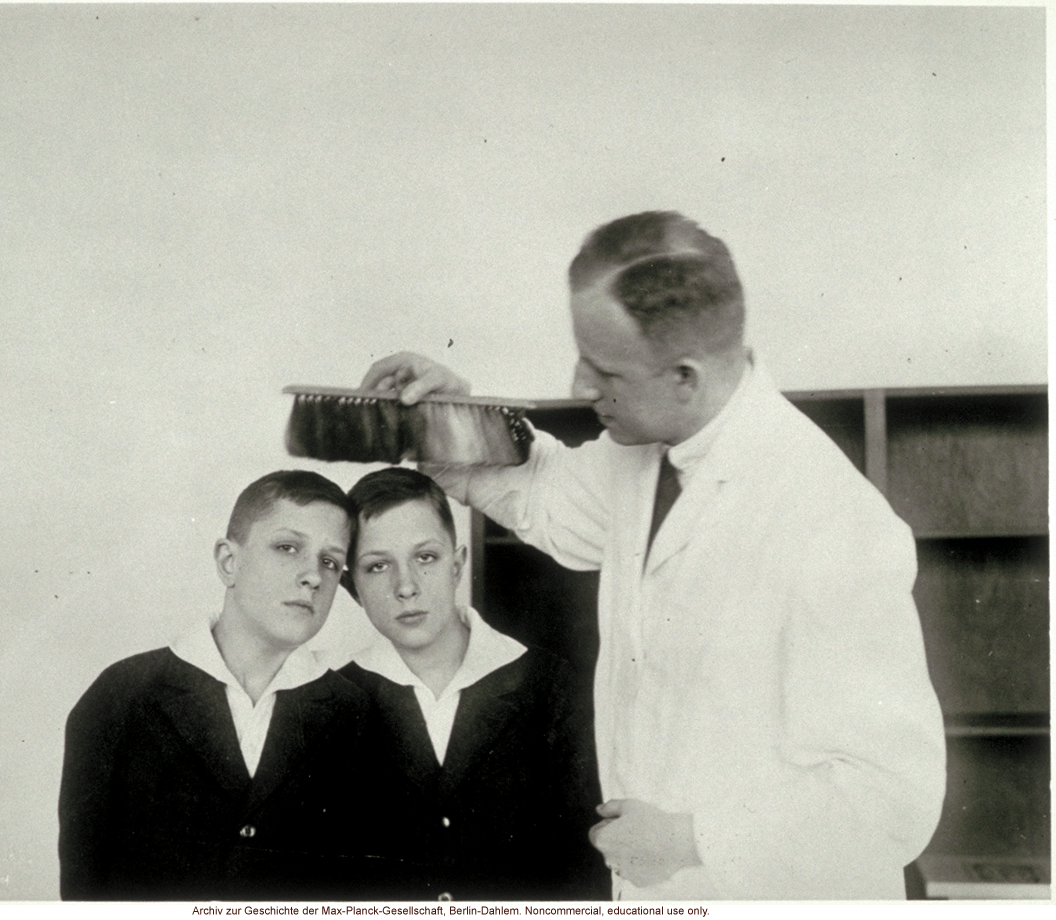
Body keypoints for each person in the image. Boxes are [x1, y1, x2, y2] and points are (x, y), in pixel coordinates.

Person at [359, 212, 947, 900]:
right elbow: (547, 498)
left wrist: (690, 840)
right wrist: (453, 421)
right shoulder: (644, 456)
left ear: (685, 378)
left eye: (604, 369)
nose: (580, 385)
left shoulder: (828, 523)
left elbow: (891, 797)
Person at [58, 470, 378, 900]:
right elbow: (84, 891)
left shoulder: (357, 714)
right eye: (287, 547)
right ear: (229, 562)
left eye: (330, 562)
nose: (313, 576)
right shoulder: (123, 696)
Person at [338, 466, 610, 900]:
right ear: (352, 585)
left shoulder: (548, 685)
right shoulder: (333, 702)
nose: (406, 586)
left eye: (425, 557)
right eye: (377, 566)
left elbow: (586, 868)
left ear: (458, 564)